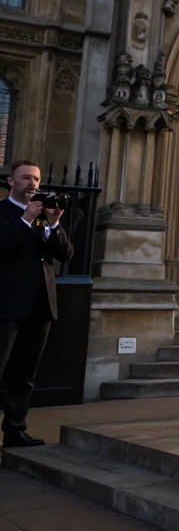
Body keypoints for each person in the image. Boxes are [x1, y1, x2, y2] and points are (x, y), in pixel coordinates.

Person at [0, 161, 72, 447]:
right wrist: (26, 220)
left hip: (39, 307)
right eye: (26, 177)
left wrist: (54, 223)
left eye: (37, 179)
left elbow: (65, 254)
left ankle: (15, 430)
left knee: (25, 374)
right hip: (6, 306)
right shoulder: (4, 213)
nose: (33, 183)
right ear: (11, 182)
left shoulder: (44, 217)